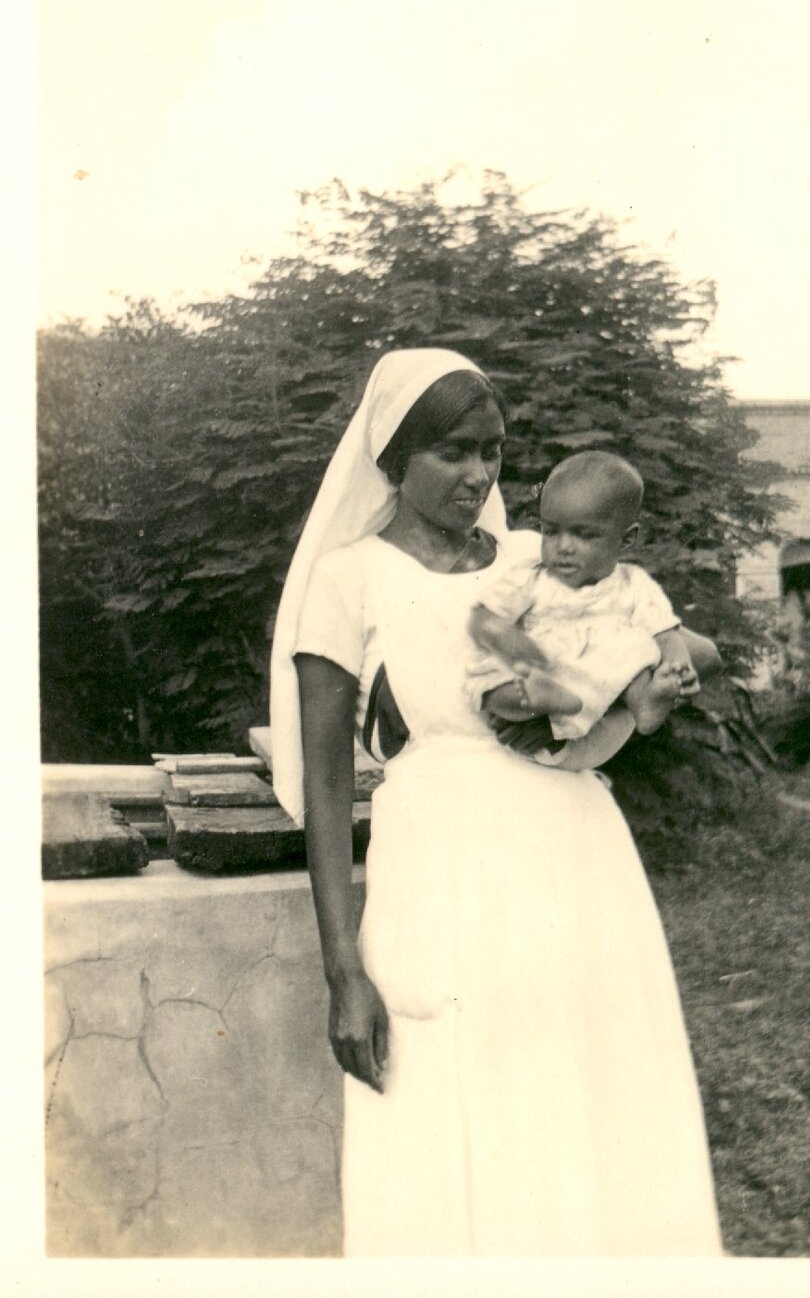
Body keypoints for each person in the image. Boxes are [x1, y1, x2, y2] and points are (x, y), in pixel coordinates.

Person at [270, 348, 723, 1257]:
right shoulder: (350, 578)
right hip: (442, 861)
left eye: (495, 452)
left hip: (573, 853)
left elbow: (637, 658)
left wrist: (656, 673)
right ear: (394, 458)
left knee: (585, 1099)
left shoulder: (535, 559)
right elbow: (324, 785)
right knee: (450, 1100)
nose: (479, 475)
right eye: (453, 453)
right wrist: (342, 971)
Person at [467, 449, 701, 748]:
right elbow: (483, 617)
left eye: (584, 535)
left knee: (634, 650)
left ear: (625, 539)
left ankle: (646, 702)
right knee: (488, 681)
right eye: (551, 532)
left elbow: (666, 636)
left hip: (595, 674)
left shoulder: (633, 584)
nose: (563, 546)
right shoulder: (530, 577)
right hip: (539, 667)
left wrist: (678, 670)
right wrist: (509, 639)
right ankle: (536, 700)